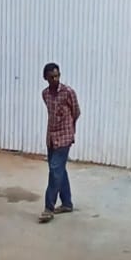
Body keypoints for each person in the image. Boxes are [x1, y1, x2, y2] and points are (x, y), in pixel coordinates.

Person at [38, 63, 80, 224]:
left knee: (55, 171)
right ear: (45, 78)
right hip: (51, 138)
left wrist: (69, 128)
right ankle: (67, 203)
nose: (55, 79)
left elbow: (76, 112)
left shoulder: (68, 92)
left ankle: (48, 208)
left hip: (64, 137)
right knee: (58, 170)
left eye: (57, 76)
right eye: (51, 77)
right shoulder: (45, 94)